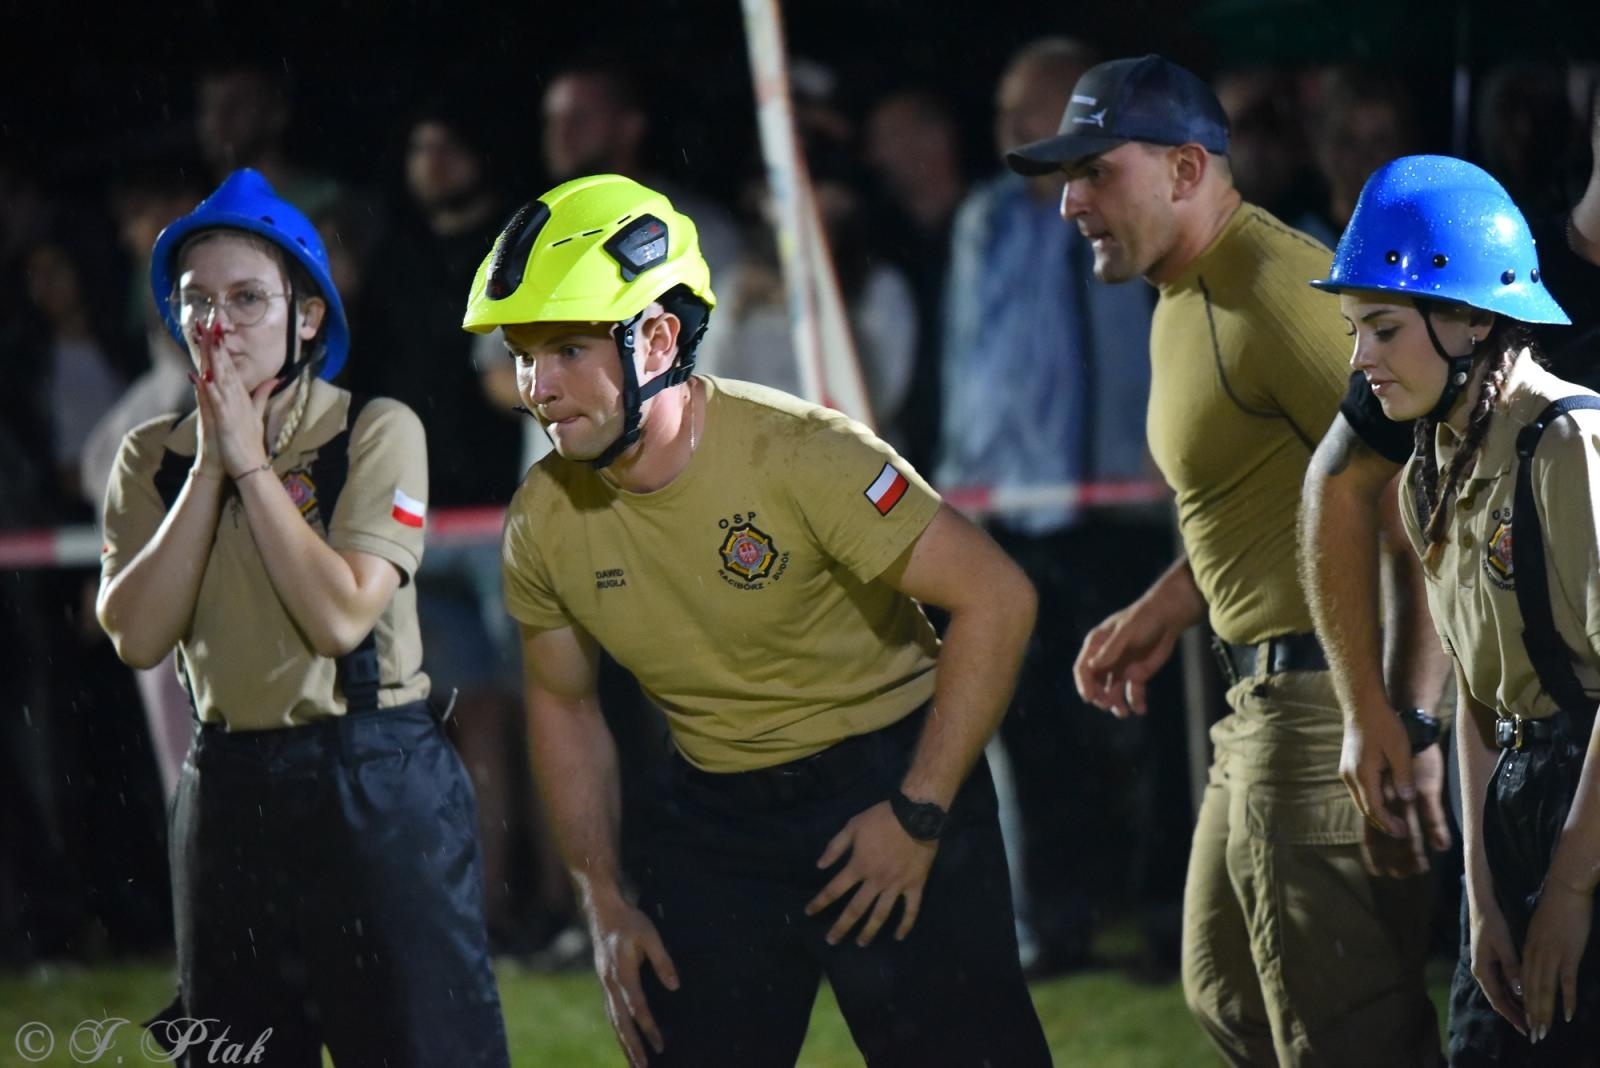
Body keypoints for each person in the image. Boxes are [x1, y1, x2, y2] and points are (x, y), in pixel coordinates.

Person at [464, 173, 1051, 1067]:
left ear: (658, 337)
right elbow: (563, 703)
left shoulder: (804, 452)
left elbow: (998, 598)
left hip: (887, 782)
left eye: (569, 349)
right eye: (522, 354)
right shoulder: (540, 518)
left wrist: (919, 813)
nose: (537, 386)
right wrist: (602, 898)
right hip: (713, 815)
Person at [1007, 54, 1440, 1064]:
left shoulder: (1278, 287)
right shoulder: (1177, 294)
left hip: (1332, 700)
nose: (1069, 202)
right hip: (1263, 703)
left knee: (1342, 1037)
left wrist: (1405, 723)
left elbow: (1417, 505)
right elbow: (1282, 494)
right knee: (1227, 996)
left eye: (1095, 172)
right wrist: (1167, 603)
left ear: (1187, 168)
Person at [95, 168, 508, 1066]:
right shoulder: (151, 458)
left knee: (419, 1048)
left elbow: (340, 618)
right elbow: (136, 634)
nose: (218, 324)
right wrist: (210, 465)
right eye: (196, 301)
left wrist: (250, 465)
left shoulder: (374, 431)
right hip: (227, 792)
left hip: (371, 778)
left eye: (248, 299)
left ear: (308, 316)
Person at [1311, 154, 1600, 1067]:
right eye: (1356, 329)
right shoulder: (1430, 468)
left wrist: (1570, 888)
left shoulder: (1566, 444)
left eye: (1384, 328)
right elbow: (1480, 698)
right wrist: (1481, 895)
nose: (1361, 359)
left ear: (1472, 320)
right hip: (1513, 801)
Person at [940, 36, 1177, 977]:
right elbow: (970, 365)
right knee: (1030, 732)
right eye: (1003, 107)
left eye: (1026, 108)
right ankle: (1056, 921)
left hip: (1124, 517)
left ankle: (1164, 914)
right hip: (1012, 522)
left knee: (1146, 723)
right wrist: (959, 499)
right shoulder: (985, 221)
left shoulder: (1127, 208)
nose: (1006, 127)